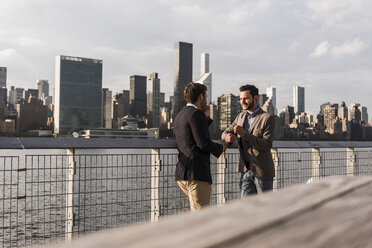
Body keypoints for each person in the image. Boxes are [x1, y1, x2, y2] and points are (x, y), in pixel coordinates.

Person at [174, 82, 227, 211]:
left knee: (196, 210)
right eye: (206, 96)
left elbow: (191, 135)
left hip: (182, 174)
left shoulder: (180, 115)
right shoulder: (196, 114)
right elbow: (203, 143)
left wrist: (206, 120)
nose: (207, 99)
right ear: (201, 97)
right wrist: (223, 146)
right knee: (201, 216)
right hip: (197, 174)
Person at [222, 84, 275, 197]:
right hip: (244, 170)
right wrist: (227, 137)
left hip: (262, 172)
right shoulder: (240, 117)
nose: (242, 102)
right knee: (246, 208)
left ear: (255, 98)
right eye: (241, 99)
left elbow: (267, 144)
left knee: (265, 207)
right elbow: (225, 133)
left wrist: (244, 134)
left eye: (246, 98)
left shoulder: (267, 118)